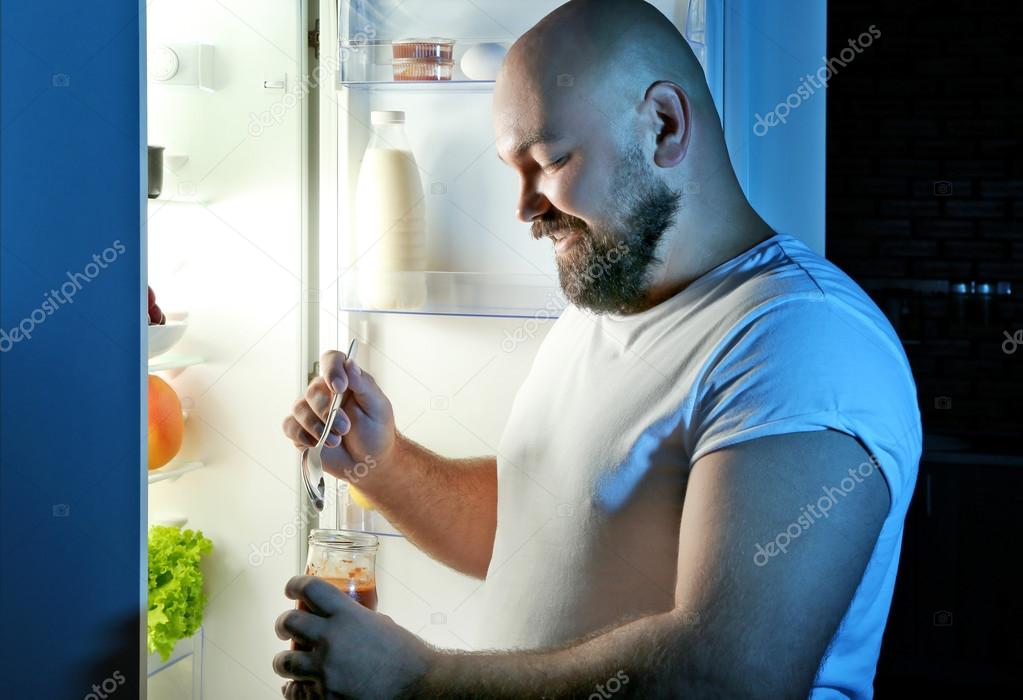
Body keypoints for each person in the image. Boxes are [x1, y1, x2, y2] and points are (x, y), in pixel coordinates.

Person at [274, 0, 921, 697]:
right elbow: (537, 529)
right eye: (513, 168)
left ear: (663, 125)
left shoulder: (799, 339)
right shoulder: (601, 306)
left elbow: (727, 675)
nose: (524, 206)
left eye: (550, 160)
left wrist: (417, 680)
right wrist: (383, 462)